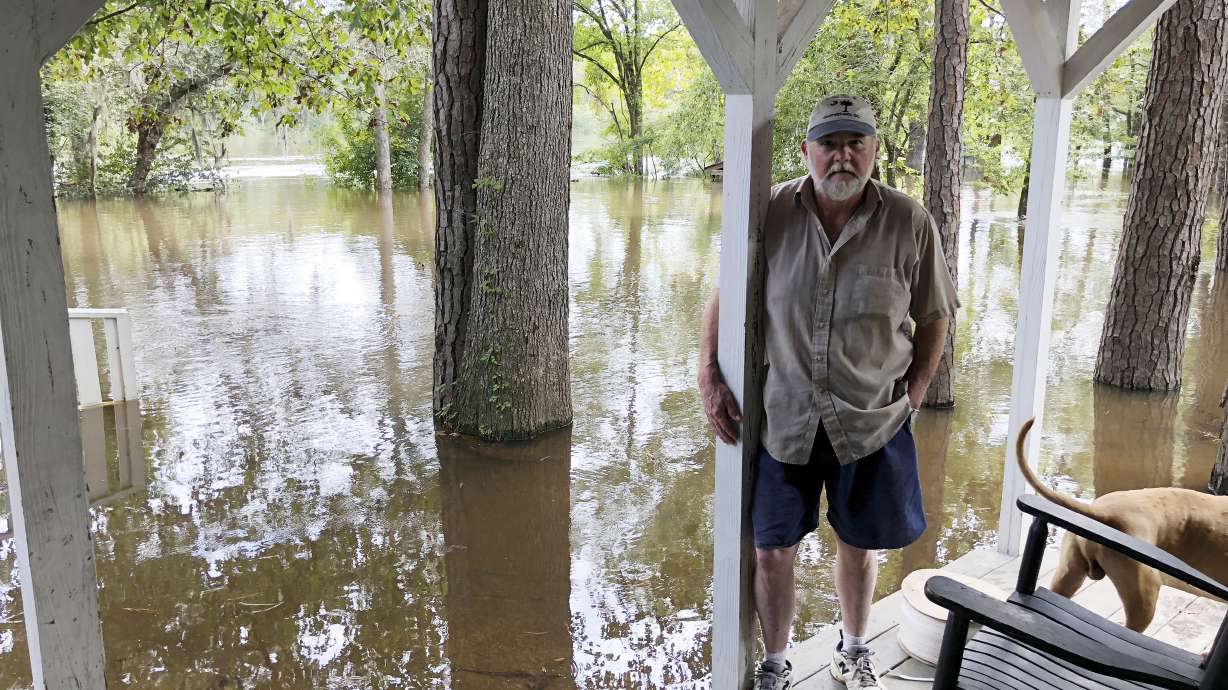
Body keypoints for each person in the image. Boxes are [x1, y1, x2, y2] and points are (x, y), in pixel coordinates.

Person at [698, 94, 958, 690]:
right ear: (806, 150)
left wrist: (914, 393)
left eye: (855, 143)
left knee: (860, 543)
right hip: (784, 417)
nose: (842, 157)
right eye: (830, 144)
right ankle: (773, 661)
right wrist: (708, 375)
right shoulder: (771, 214)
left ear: (873, 149)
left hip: (870, 419)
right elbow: (725, 294)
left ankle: (855, 646)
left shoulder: (909, 220)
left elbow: (936, 315)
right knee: (770, 549)